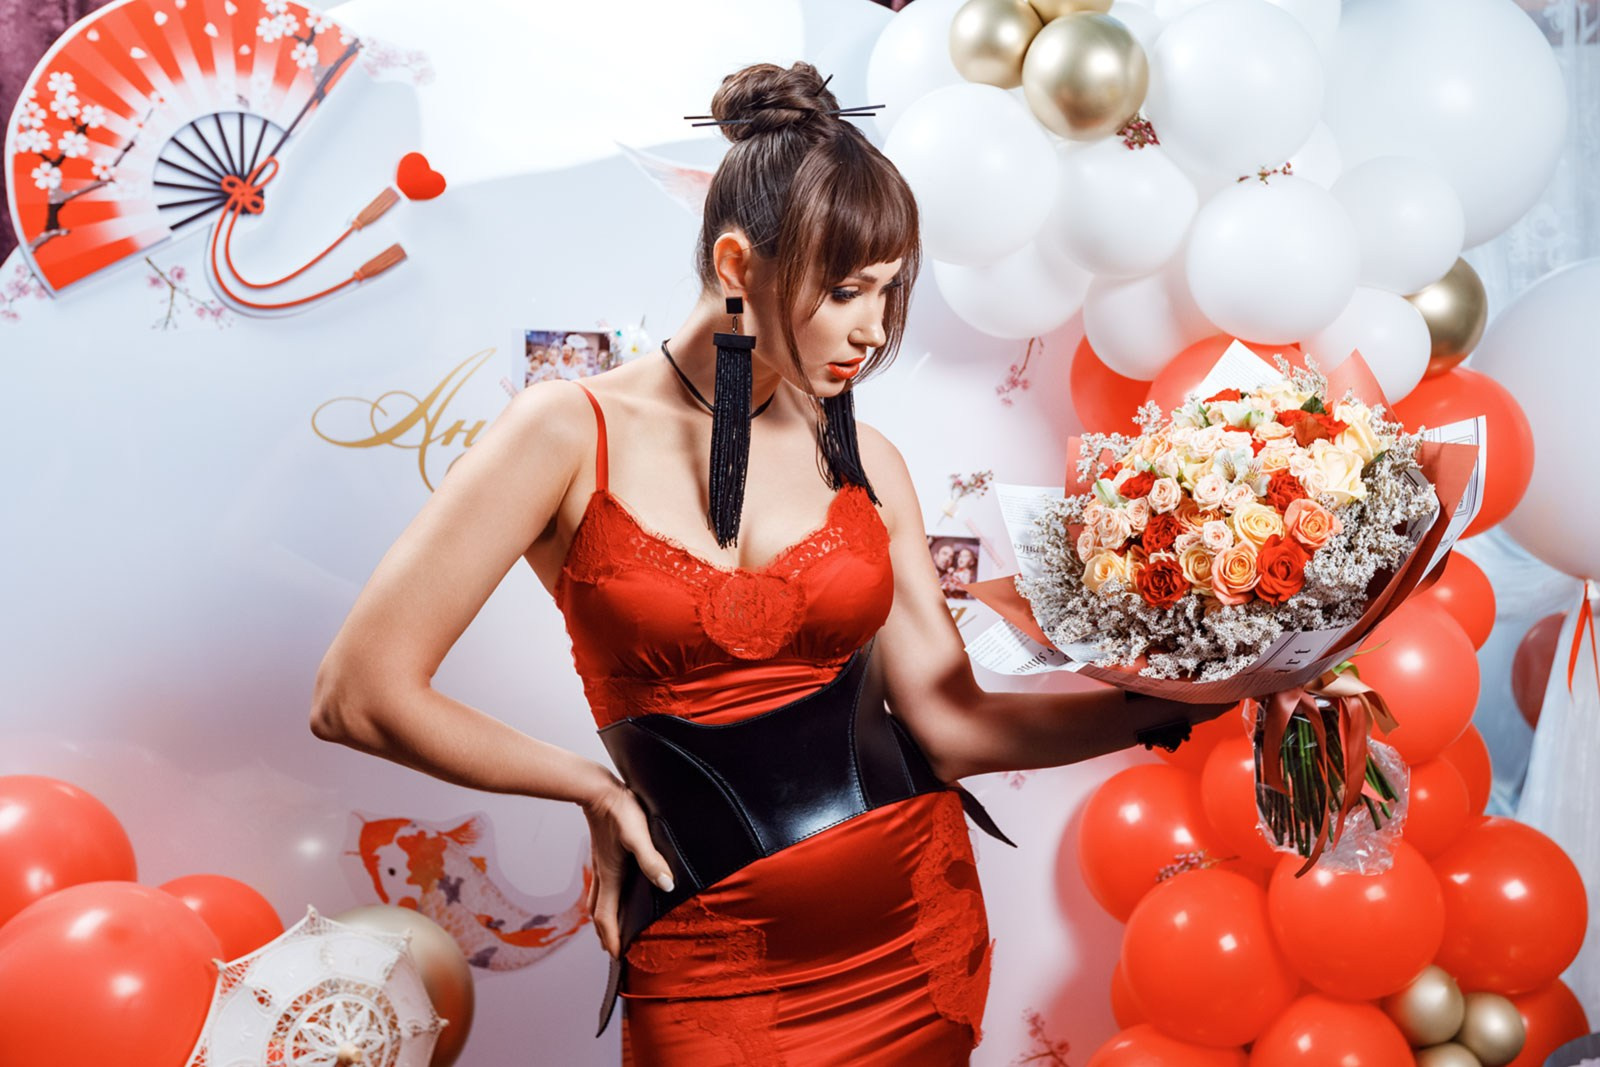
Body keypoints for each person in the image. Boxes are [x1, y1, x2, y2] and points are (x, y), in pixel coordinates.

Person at [309, 61, 1230, 1066]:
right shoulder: (565, 432)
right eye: (845, 290)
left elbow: (954, 725)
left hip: (915, 938)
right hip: (710, 967)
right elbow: (359, 693)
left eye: (888, 290)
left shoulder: (865, 458)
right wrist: (591, 787)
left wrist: (1190, 698)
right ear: (737, 264)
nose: (872, 329)